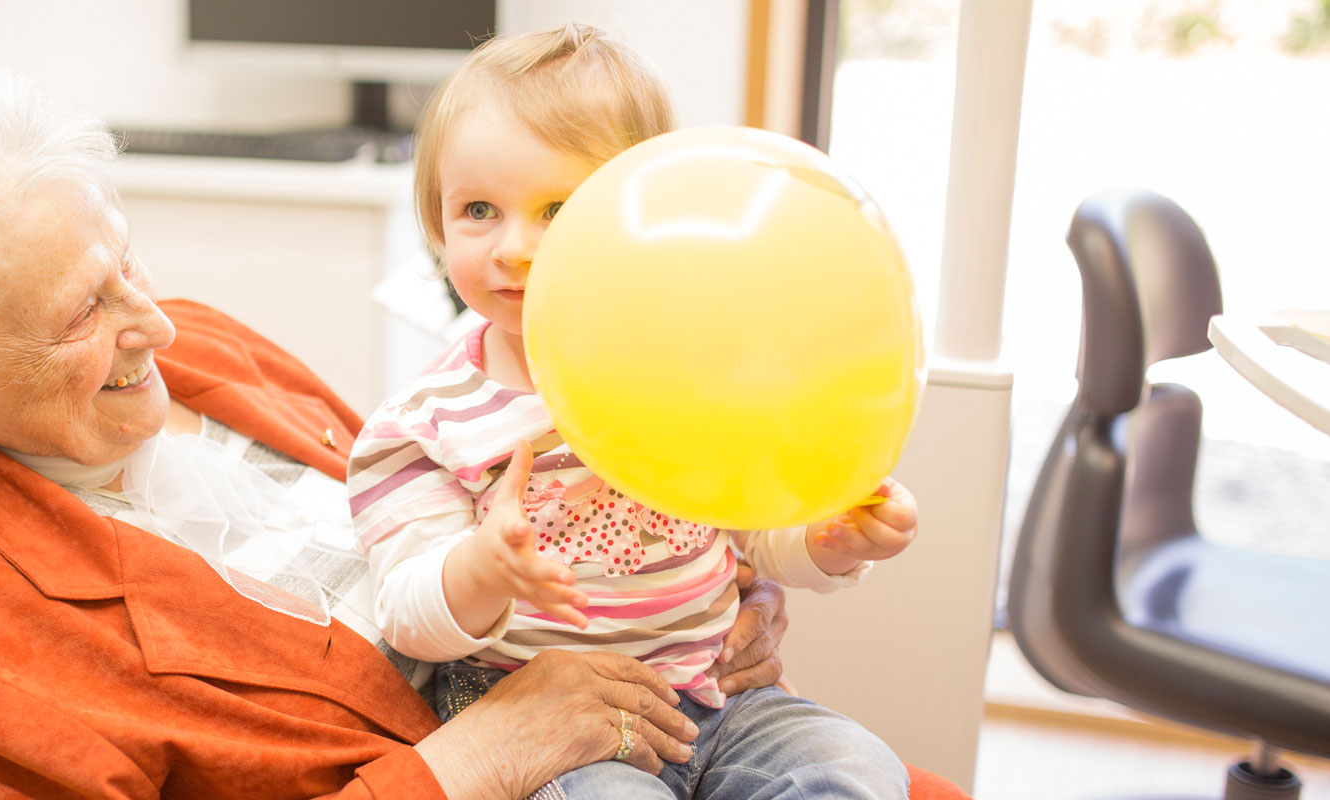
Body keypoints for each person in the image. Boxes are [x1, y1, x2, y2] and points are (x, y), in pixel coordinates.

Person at [0, 65, 803, 800]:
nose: (155, 324)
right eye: (82, 313)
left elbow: (432, 507)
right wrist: (469, 764)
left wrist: (686, 598)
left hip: (644, 706)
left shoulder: (198, 347)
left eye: (126, 259)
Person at [347, 25, 918, 799]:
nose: (514, 247)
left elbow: (751, 527)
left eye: (558, 209)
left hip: (722, 700)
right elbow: (406, 615)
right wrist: (481, 568)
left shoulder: (698, 374)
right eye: (479, 209)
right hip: (567, 740)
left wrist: (829, 538)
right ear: (437, 222)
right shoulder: (422, 424)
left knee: (856, 767)